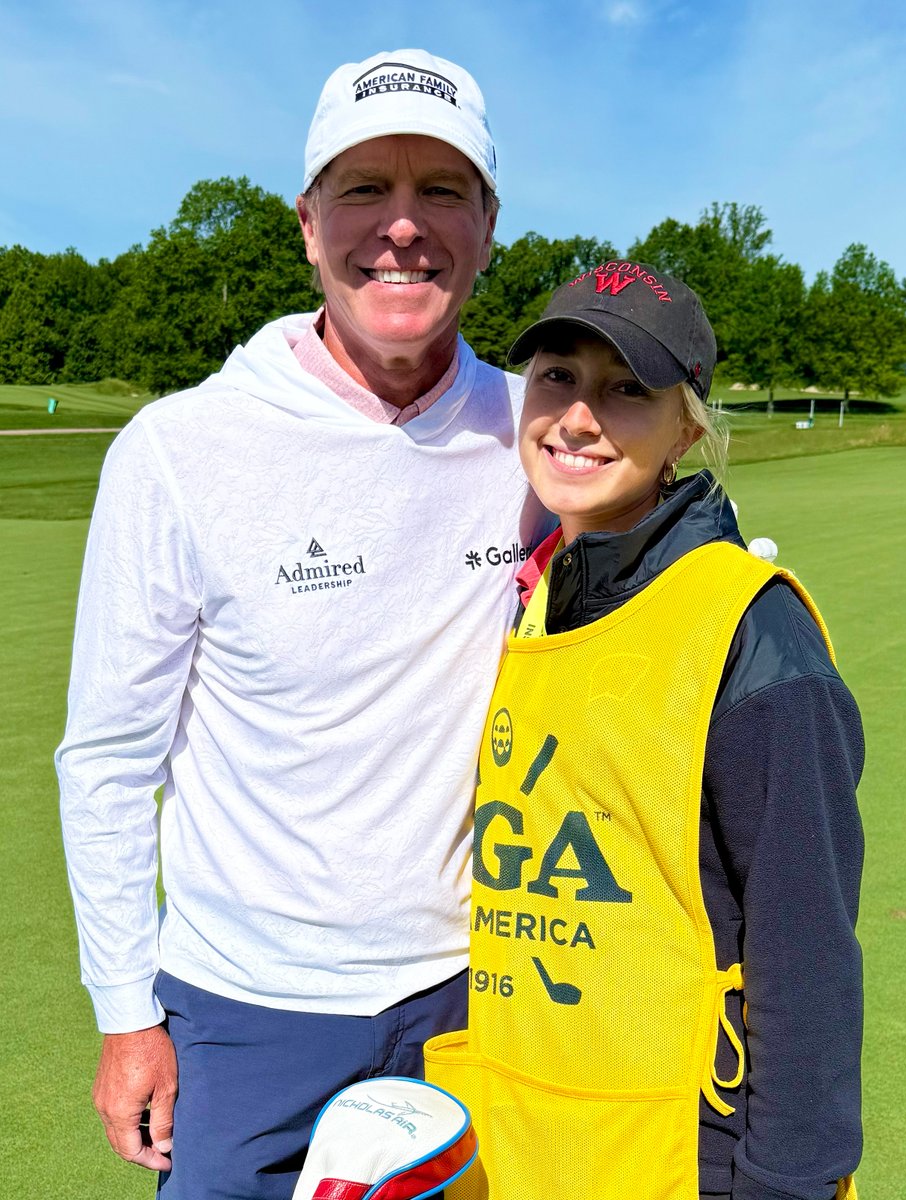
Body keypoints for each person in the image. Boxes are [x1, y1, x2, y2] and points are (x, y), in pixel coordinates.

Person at [56, 49, 550, 1200]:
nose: (401, 229)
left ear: (487, 222)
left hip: (485, 993)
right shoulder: (180, 450)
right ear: (306, 219)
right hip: (243, 1009)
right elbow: (111, 761)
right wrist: (127, 1016)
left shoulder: (540, 433)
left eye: (440, 191)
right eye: (364, 190)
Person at [425, 262, 864, 1200]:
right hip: (522, 1129)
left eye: (627, 390)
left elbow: (810, 954)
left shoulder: (751, 631)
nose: (580, 416)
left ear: (687, 428)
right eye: (558, 376)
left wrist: (790, 1185)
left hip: (678, 1151)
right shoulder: (545, 598)